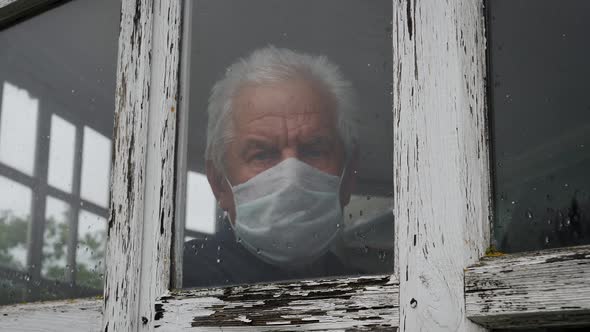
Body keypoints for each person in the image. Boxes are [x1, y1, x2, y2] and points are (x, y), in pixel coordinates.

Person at [183, 46, 381, 287]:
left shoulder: (367, 296)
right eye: (262, 154)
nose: (291, 179)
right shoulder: (177, 283)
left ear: (348, 176)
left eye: (313, 150)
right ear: (218, 184)